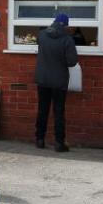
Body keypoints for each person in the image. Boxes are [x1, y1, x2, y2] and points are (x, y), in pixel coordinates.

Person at [34, 13, 78, 152]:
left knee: (42, 110)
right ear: (66, 25)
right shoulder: (67, 39)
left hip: (42, 79)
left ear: (53, 22)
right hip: (59, 81)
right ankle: (59, 143)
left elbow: (40, 44)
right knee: (58, 112)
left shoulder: (41, 35)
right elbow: (72, 62)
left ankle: (39, 139)